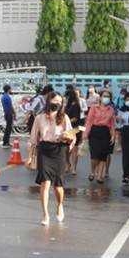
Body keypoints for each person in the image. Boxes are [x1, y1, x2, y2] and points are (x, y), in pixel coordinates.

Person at [29, 93, 74, 225]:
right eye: (55, 101)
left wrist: (67, 137)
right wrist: (30, 157)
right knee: (45, 182)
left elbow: (72, 136)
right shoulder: (39, 118)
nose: (57, 103)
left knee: (58, 185)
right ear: (49, 101)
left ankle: (60, 205)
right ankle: (45, 214)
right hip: (44, 150)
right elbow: (33, 139)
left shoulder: (64, 117)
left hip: (59, 150)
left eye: (59, 102)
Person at [85, 89, 118, 183]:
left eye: (108, 96)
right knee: (95, 155)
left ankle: (100, 176)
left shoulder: (111, 109)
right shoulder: (94, 107)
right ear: (100, 97)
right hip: (94, 131)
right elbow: (89, 121)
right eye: (104, 96)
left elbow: (112, 124)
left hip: (105, 132)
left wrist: (113, 135)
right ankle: (93, 171)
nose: (106, 98)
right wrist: (86, 133)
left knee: (103, 155)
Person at [63, 85, 85, 175]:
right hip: (67, 129)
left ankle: (73, 168)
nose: (66, 99)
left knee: (74, 148)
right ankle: (68, 164)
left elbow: (75, 118)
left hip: (75, 128)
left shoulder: (76, 105)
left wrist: (66, 121)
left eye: (67, 97)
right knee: (66, 149)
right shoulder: (66, 105)